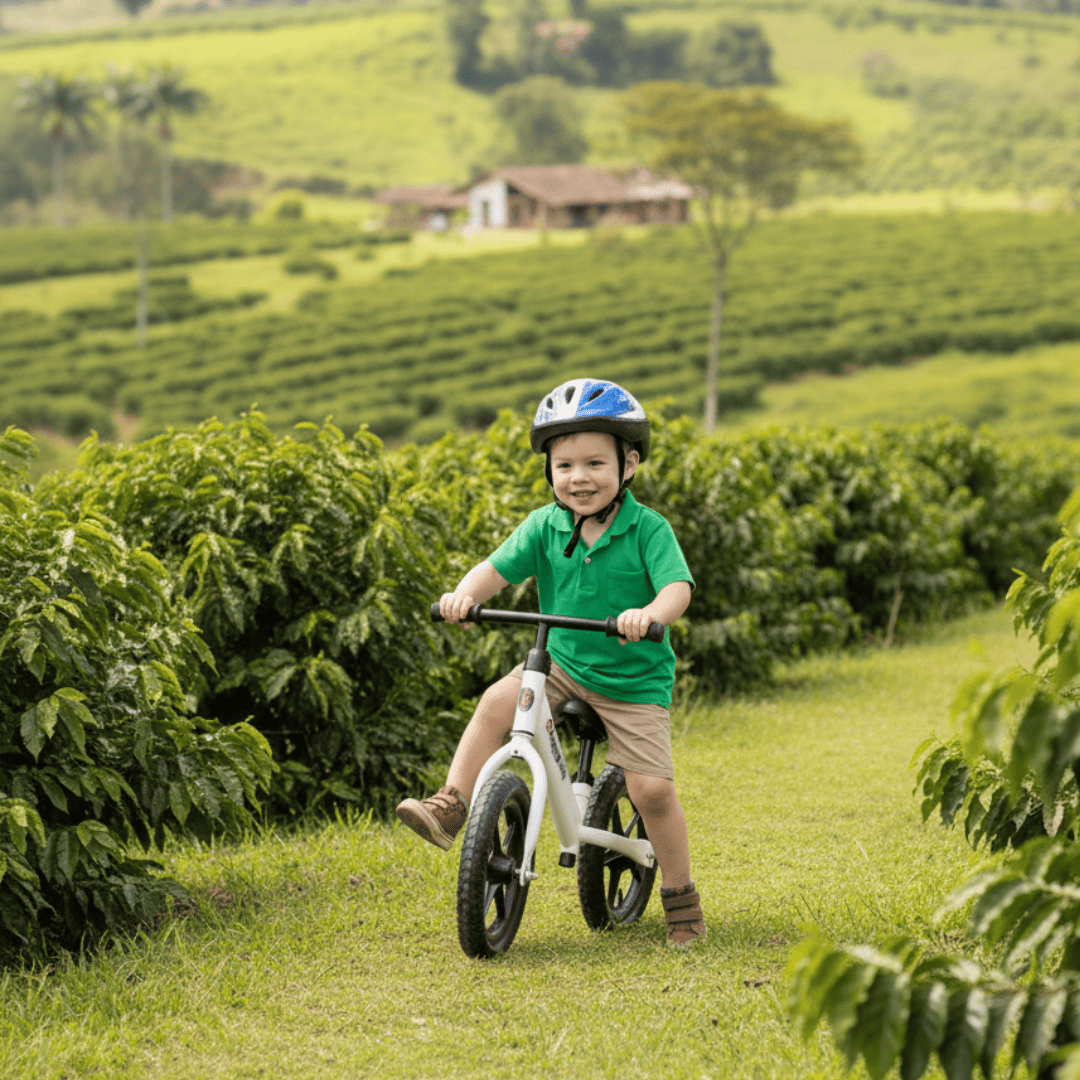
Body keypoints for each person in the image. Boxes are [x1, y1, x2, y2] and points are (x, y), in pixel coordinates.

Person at [396, 378, 705, 947]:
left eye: (594, 463)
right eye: (564, 465)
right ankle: (453, 802)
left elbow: (677, 589)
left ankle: (680, 897)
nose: (579, 477)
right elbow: (494, 569)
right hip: (560, 659)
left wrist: (647, 612)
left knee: (651, 790)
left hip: (633, 678)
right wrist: (466, 596)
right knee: (497, 701)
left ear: (628, 464)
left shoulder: (648, 529)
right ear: (549, 471)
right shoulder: (544, 524)